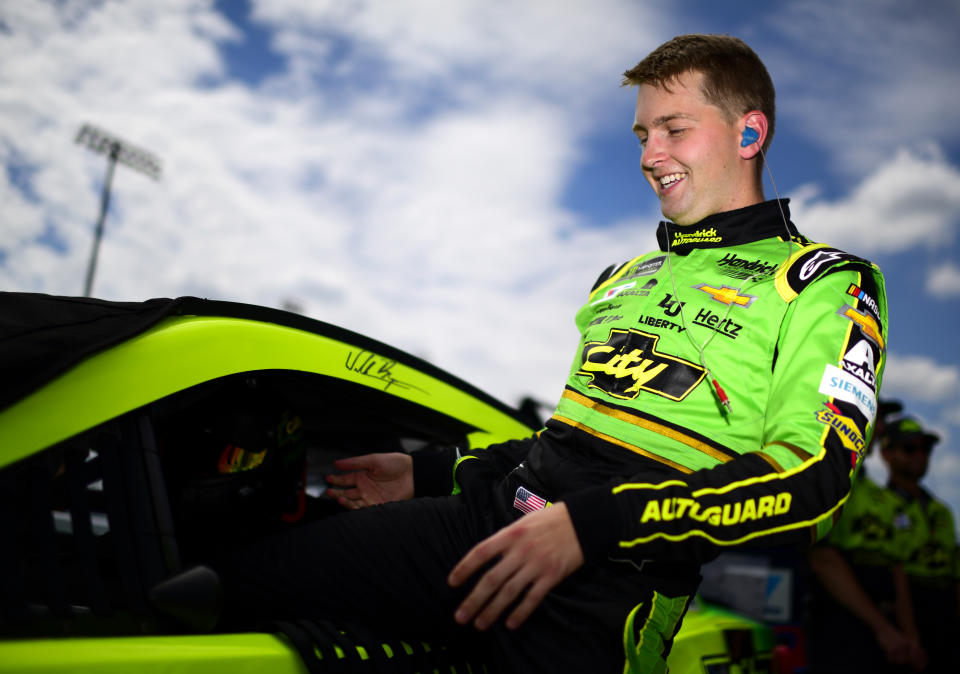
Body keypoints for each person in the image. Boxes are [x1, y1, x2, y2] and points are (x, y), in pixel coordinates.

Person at [216, 34, 889, 673]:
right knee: (219, 590)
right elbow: (565, 445)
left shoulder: (823, 282)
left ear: (749, 133)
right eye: (642, 134)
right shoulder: (626, 278)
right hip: (486, 525)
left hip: (609, 586)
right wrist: (427, 474)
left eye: (675, 129)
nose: (651, 155)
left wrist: (592, 527)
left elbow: (813, 477)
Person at [805, 401, 926, 674]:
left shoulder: (883, 498)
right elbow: (823, 559)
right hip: (836, 627)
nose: (881, 426)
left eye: (881, 418)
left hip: (883, 635)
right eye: (875, 415)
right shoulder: (823, 479)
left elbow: (897, 570)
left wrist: (910, 638)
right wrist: (885, 630)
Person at [881, 417, 960, 672]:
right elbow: (895, 572)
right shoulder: (880, 507)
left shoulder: (942, 510)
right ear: (886, 454)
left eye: (925, 449)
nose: (919, 455)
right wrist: (910, 636)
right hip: (903, 617)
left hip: (946, 618)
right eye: (909, 448)